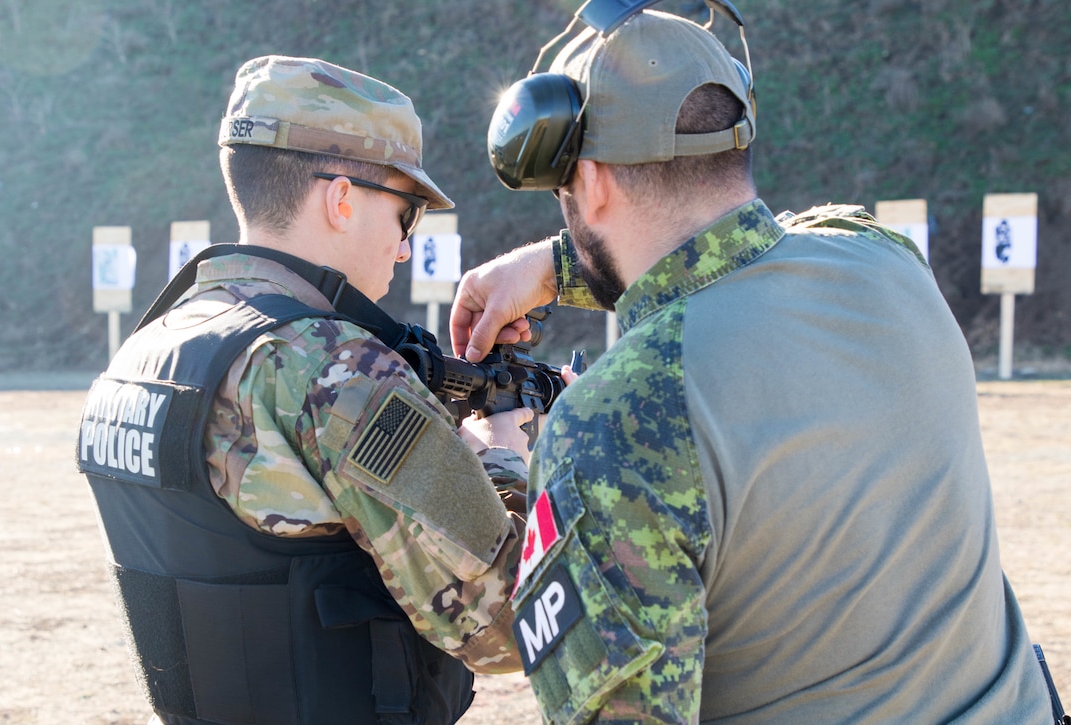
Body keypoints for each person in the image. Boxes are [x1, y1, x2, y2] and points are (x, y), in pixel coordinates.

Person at [450, 7, 1056, 724]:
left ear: (591, 179)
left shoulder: (610, 422)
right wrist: (555, 264)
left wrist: (516, 468)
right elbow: (750, 242)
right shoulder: (885, 255)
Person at [76, 55, 534, 725]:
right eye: (406, 214)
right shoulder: (333, 369)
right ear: (341, 199)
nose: (405, 248)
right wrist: (503, 456)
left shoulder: (145, 347)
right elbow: (504, 622)